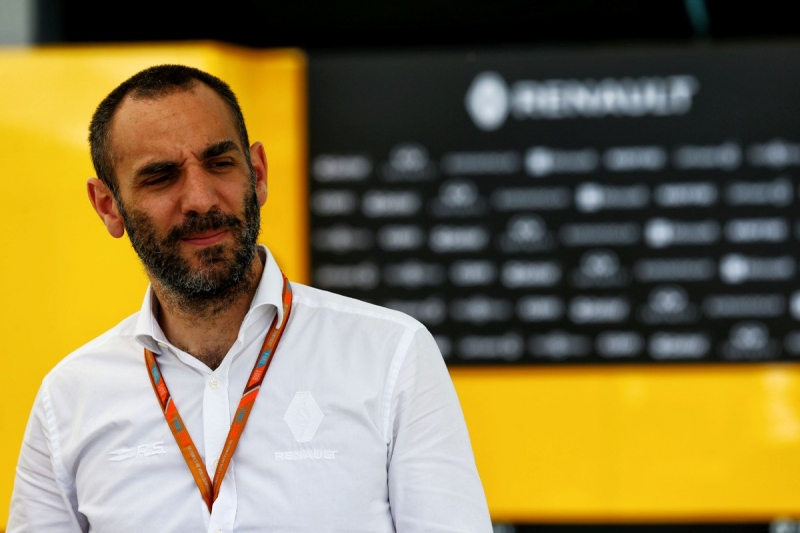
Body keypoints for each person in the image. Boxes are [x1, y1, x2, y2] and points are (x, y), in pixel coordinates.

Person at [6, 64, 492, 532]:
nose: (201, 198)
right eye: (161, 176)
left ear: (257, 173)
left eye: (220, 163)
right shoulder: (69, 400)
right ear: (108, 206)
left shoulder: (390, 356)